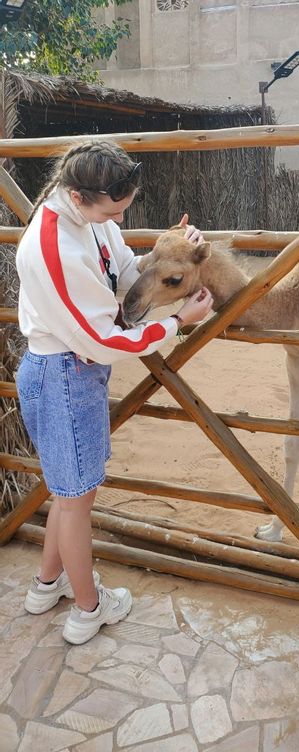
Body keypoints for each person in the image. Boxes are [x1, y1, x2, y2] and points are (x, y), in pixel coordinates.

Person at [15, 140, 213, 645]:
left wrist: (172, 248)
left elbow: (124, 270)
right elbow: (102, 340)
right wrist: (177, 322)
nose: (119, 219)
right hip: (65, 373)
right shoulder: (53, 245)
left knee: (68, 492)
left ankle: (46, 585)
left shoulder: (88, 218)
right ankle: (87, 609)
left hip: (71, 372)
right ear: (80, 198)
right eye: (115, 211)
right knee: (78, 502)